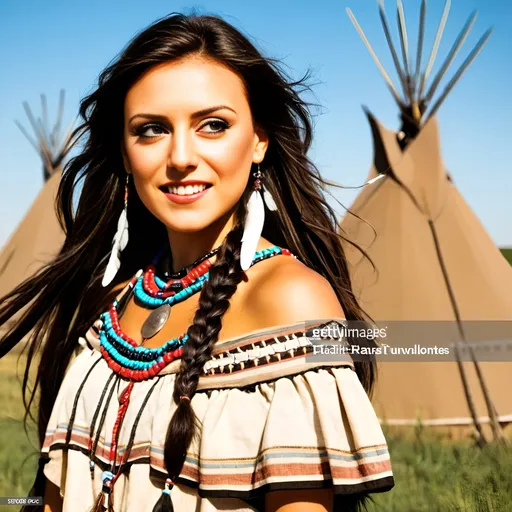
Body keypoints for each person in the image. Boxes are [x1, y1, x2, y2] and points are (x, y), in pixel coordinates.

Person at [0, 12, 394, 512]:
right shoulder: (111, 305)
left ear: (259, 140)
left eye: (213, 125)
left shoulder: (291, 299)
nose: (181, 156)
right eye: (151, 130)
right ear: (124, 153)